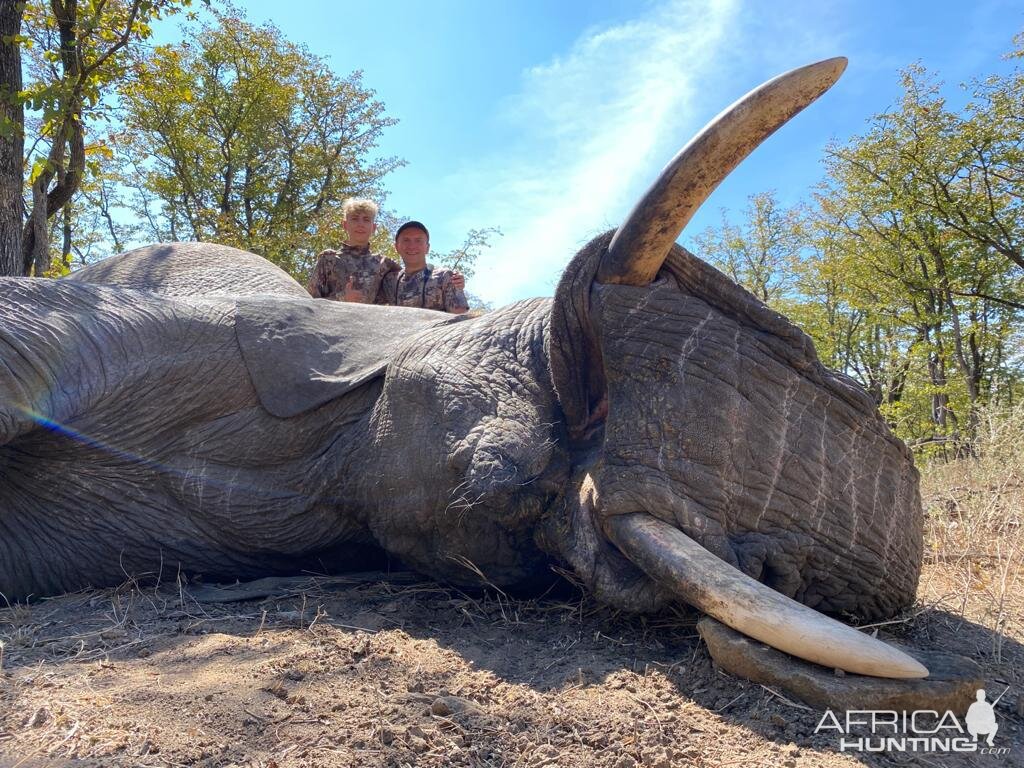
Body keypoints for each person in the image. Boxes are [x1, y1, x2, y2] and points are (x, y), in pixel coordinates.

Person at [307, 198, 397, 303]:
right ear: (345, 225)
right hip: (333, 319)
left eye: (366, 219)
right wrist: (341, 298)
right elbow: (310, 303)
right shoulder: (328, 259)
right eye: (355, 218)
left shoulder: (384, 264)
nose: (360, 224)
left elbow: (408, 284)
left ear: (373, 228)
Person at [385, 221, 469, 314]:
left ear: (427, 247)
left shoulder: (445, 276)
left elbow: (461, 316)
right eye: (406, 240)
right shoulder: (389, 281)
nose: (412, 246)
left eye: (418, 240)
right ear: (396, 247)